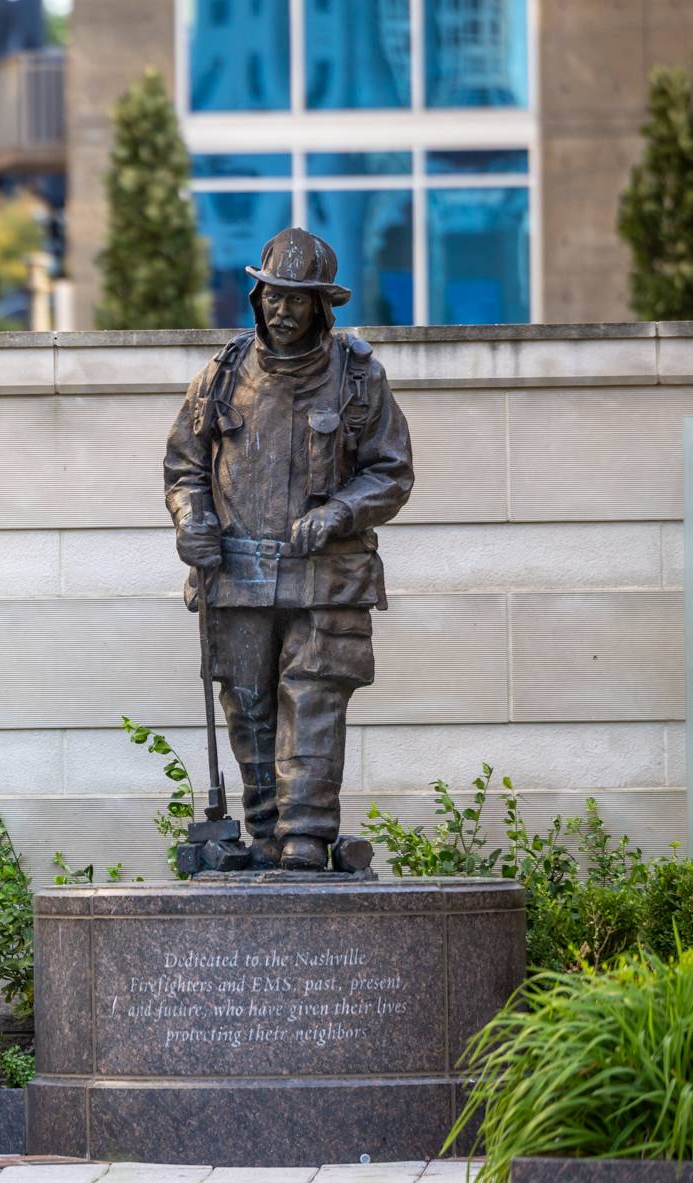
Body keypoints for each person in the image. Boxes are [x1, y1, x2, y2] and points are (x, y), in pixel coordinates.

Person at [163, 228, 415, 871]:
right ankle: (266, 833)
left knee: (313, 699)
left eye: (296, 299)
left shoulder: (359, 378)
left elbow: (391, 472)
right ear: (257, 298)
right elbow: (185, 468)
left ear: (320, 306)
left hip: (326, 577)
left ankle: (306, 834)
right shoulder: (220, 377)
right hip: (237, 575)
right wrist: (191, 519)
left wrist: (339, 512)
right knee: (248, 705)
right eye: (273, 296)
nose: (281, 310)